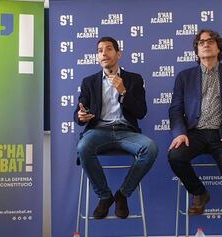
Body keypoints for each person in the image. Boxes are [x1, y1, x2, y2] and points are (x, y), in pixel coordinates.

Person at [168, 29, 222, 237]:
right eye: (201, 42)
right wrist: (180, 133)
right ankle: (200, 193)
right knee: (175, 156)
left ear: (218, 47)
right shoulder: (185, 77)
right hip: (195, 134)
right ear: (196, 51)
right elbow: (175, 109)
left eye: (210, 41)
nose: (205, 44)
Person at [74, 36, 158, 219]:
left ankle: (122, 195)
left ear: (118, 54)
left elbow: (141, 112)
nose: (104, 53)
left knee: (150, 148)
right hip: (99, 131)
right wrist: (81, 116)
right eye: (99, 50)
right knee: (83, 147)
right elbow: (79, 111)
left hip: (126, 131)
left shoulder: (134, 79)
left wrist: (123, 92)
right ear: (98, 57)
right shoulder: (89, 82)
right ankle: (105, 196)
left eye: (109, 49)